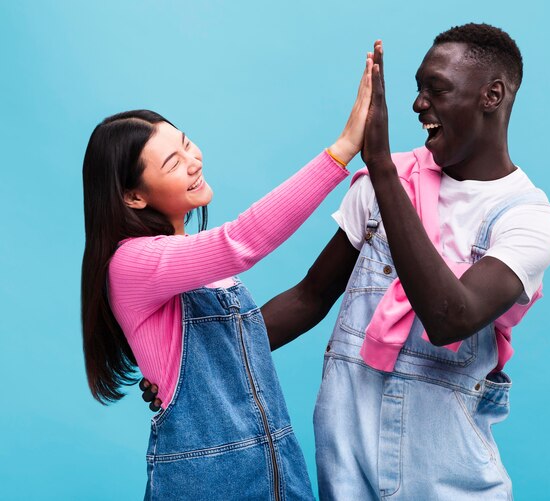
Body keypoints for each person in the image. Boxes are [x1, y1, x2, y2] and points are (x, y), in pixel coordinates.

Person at [143, 24, 550, 500]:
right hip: (346, 478)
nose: (418, 104)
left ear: (493, 95)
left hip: (451, 483)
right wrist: (194, 363)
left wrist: (381, 167)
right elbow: (309, 297)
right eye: (418, 88)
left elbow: (451, 317)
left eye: (437, 89)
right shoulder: (382, 184)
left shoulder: (527, 219)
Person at [81, 53, 373, 500]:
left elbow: (259, 328)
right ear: (134, 197)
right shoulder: (132, 263)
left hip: (279, 474)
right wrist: (342, 151)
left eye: (186, 144)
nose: (193, 161)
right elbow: (239, 242)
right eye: (172, 164)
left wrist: (366, 216)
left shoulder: (195, 269)